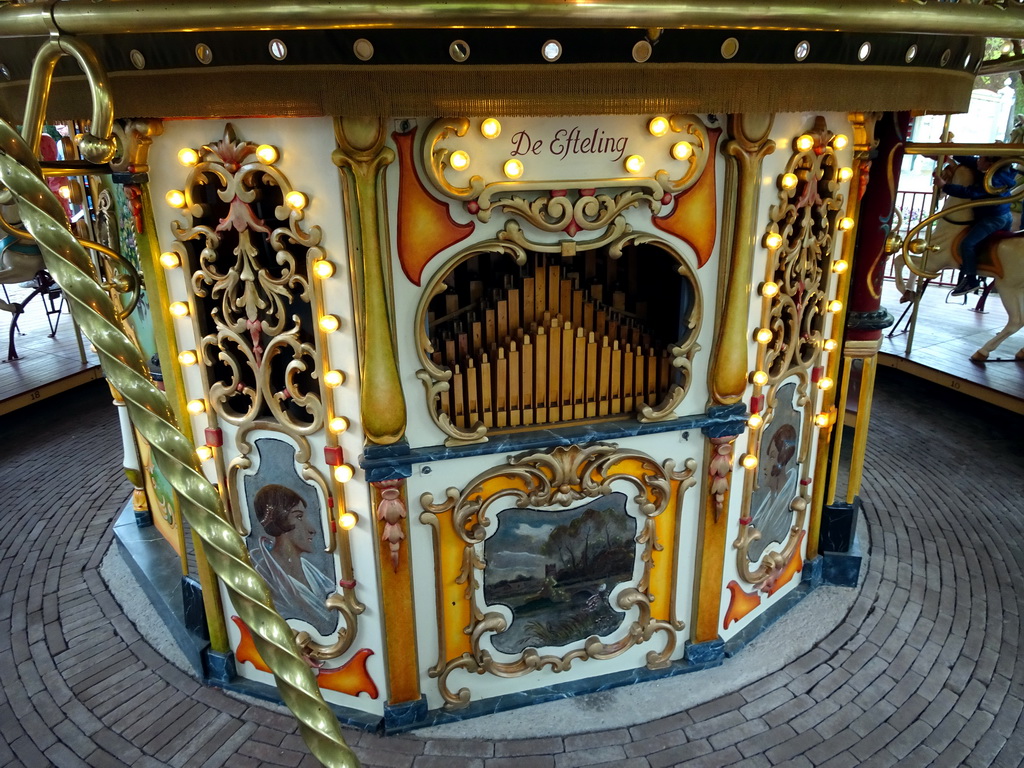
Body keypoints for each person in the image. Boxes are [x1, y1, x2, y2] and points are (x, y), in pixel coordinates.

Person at [248, 484, 335, 629]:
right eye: (299, 516)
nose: (312, 530)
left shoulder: (307, 568)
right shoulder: (264, 578)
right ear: (279, 519)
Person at [934, 155, 1017, 297]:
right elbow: (971, 161)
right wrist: (953, 153)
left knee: (967, 244)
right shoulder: (994, 171)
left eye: (982, 158)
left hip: (993, 218)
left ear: (990, 163)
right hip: (1002, 214)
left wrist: (944, 186)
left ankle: (971, 279)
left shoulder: (993, 180)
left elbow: (972, 193)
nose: (978, 160)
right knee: (985, 243)